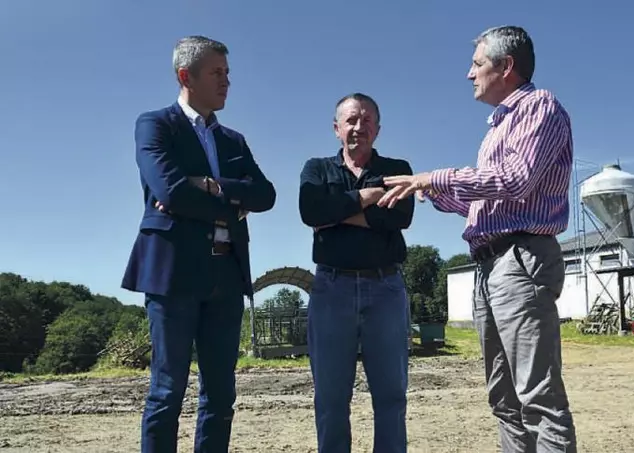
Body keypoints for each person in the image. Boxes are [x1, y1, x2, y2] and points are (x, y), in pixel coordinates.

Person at [379, 26, 578, 453]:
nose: (469, 75)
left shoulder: (539, 107)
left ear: (506, 66)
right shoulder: (497, 128)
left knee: (537, 397)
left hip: (520, 260)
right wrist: (429, 191)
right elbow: (484, 203)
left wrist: (436, 176)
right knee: (504, 399)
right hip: (491, 265)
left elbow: (515, 180)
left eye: (477, 64)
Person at [121, 35, 276, 453]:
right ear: (185, 75)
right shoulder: (156, 125)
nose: (227, 82)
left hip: (226, 274)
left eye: (227, 73)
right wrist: (232, 202)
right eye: (217, 73)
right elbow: (171, 192)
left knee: (221, 395)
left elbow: (266, 195)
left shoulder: (234, 141)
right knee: (167, 390)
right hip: (173, 274)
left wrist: (210, 186)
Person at [298, 93, 414, 453]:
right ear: (336, 128)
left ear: (377, 128)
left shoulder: (398, 168)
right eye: (351, 120)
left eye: (366, 121)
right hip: (332, 289)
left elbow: (400, 218)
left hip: (385, 288)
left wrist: (335, 215)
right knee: (331, 398)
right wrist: (369, 197)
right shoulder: (316, 169)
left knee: (391, 395)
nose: (358, 127)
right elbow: (310, 210)